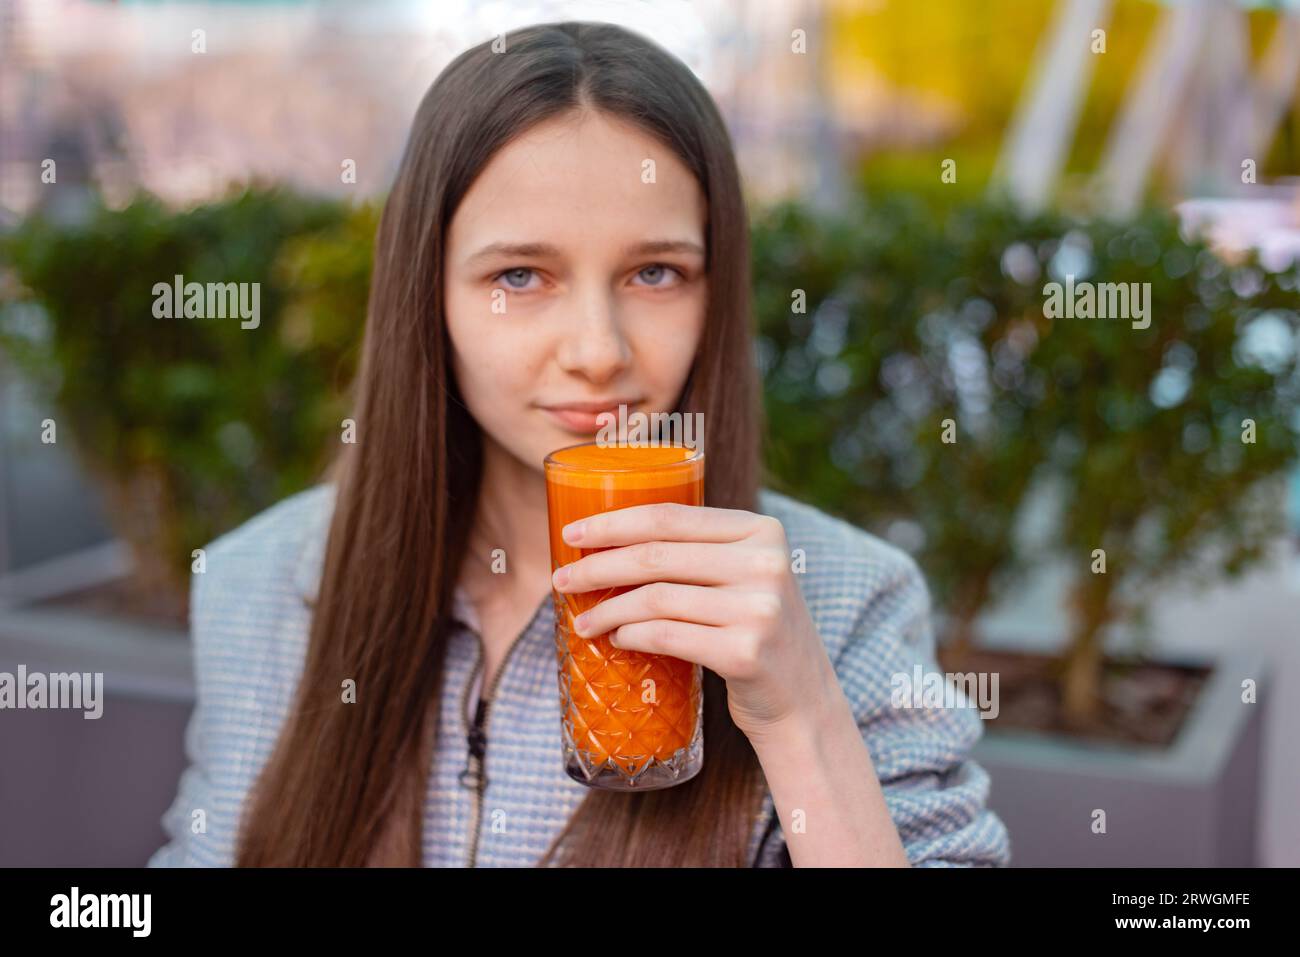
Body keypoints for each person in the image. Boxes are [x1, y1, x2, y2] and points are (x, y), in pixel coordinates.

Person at [148, 20, 1010, 868]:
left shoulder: (844, 602)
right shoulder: (259, 586)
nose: (599, 351)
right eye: (519, 276)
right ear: (428, 295)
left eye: (656, 272)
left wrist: (801, 712)